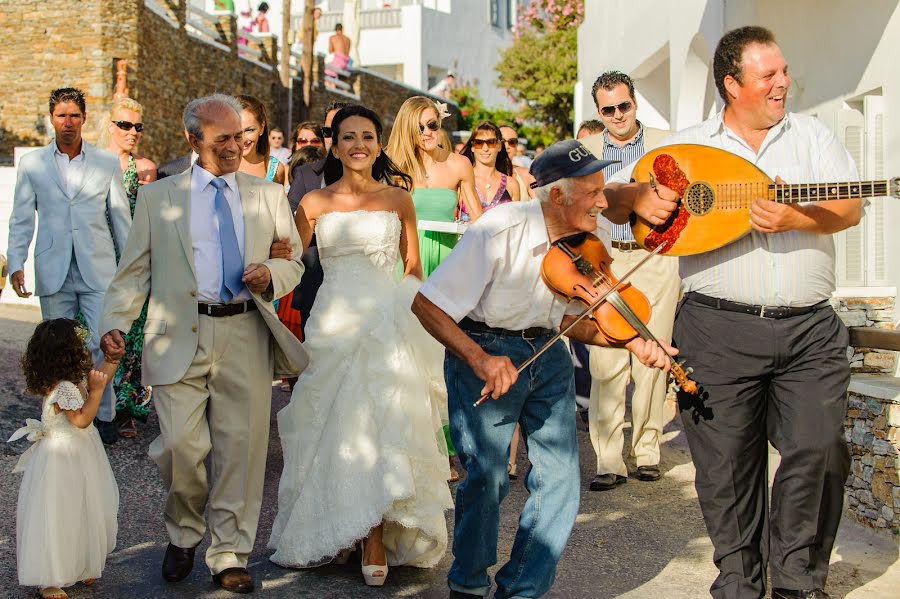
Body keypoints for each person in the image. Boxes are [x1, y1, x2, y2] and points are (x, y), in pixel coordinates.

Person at [610, 26, 861, 599]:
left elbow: (849, 206)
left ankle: (798, 583)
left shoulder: (814, 137)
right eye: (768, 75)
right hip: (716, 328)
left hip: (808, 329)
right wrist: (637, 198)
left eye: (783, 71)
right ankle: (740, 583)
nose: (783, 83)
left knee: (818, 451)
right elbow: (620, 202)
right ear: (732, 84)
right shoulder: (689, 149)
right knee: (725, 468)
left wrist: (798, 219)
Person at [411, 139, 676, 599]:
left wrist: (635, 341)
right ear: (558, 196)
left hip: (548, 355)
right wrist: (480, 358)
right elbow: (427, 304)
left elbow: (571, 321)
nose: (602, 201)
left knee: (560, 483)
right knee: (487, 478)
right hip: (485, 346)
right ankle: (468, 585)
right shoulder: (497, 231)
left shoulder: (587, 238)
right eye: (592, 191)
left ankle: (522, 589)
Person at [99, 94, 307, 594]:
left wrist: (270, 273)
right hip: (177, 335)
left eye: (239, 136)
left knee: (242, 449)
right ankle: (183, 531)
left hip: (244, 332)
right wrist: (115, 323)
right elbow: (133, 275)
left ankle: (229, 552)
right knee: (179, 447)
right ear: (193, 140)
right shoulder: (157, 198)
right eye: (223, 140)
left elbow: (293, 259)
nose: (236, 147)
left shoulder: (267, 195)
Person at [268, 104, 453, 586]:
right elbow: (286, 261)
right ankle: (339, 523)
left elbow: (413, 266)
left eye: (368, 136)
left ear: (379, 143)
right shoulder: (314, 204)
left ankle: (373, 533)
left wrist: (401, 310)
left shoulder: (398, 199)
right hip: (332, 322)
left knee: (380, 423)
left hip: (386, 321)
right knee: (333, 426)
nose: (358, 145)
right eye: (348, 137)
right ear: (334, 143)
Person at [7, 87, 131, 446]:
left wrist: (130, 268)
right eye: (61, 116)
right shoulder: (32, 164)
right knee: (56, 348)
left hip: (99, 267)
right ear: (51, 119)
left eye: (74, 116)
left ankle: (102, 415)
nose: (68, 122)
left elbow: (120, 218)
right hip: (52, 265)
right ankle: (58, 415)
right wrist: (17, 262)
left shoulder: (106, 162)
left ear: (84, 119)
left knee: (101, 342)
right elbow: (20, 219)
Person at [577, 70, 679, 492]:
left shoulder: (666, 142)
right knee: (606, 363)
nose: (618, 115)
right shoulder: (585, 150)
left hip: (656, 258)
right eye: (608, 109)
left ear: (634, 103)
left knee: (652, 356)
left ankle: (649, 450)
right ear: (598, 112)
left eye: (624, 106)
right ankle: (608, 460)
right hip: (606, 261)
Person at [10, 318, 119, 599]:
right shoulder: (63, 388)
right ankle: (50, 576)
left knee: (81, 509)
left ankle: (79, 563)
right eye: (80, 345)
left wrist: (110, 361)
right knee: (58, 514)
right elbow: (82, 419)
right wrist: (95, 392)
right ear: (68, 352)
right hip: (62, 459)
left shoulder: (70, 381)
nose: (85, 349)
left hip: (79, 454)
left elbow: (98, 381)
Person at [100, 97, 159, 438]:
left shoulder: (146, 169)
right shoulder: (92, 165)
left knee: (133, 337)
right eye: (125, 125)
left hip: (135, 262)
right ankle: (92, 400)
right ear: (110, 126)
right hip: (97, 260)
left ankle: (126, 408)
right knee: (93, 333)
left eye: (138, 126)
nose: (132, 132)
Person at [385, 95, 482, 279]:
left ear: (440, 122)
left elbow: (478, 219)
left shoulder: (460, 164)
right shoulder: (394, 165)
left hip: (447, 258)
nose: (427, 132)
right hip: (403, 257)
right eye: (418, 128)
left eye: (432, 125)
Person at [459, 120, 520, 223]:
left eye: (491, 142)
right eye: (479, 143)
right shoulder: (461, 181)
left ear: (499, 146)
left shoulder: (511, 184)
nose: (485, 148)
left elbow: (516, 225)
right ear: (472, 147)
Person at [237, 94, 285, 184]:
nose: (243, 139)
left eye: (249, 130)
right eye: (237, 131)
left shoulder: (275, 169)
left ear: (261, 128)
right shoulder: (218, 165)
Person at [499, 124, 535, 199]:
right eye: (502, 141)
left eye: (512, 142)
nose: (506, 146)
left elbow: (542, 204)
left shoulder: (527, 175)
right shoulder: (479, 175)